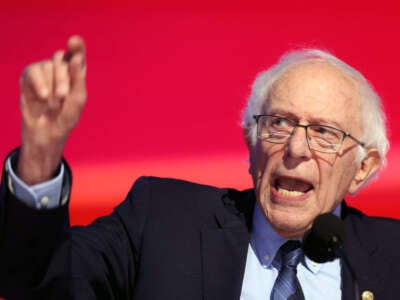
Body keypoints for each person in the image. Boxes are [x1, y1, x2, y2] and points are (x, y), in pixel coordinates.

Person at [0, 36, 399, 300]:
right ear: (251, 141)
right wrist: (40, 155)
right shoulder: (160, 220)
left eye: (325, 132)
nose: (296, 147)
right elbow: (39, 283)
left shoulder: (391, 257)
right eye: (279, 123)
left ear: (363, 168)